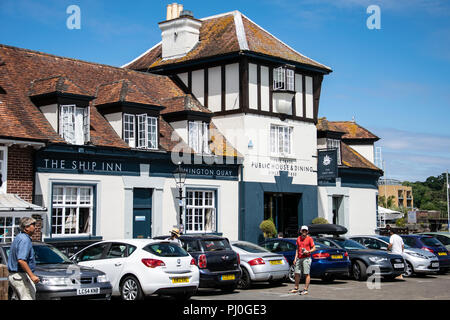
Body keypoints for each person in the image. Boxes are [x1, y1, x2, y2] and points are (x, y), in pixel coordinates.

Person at [7, 217, 40, 300]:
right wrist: (32, 276)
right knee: (28, 297)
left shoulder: (19, 237)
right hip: (20, 275)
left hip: (14, 275)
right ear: (26, 228)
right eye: (33, 225)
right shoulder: (25, 240)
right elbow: (21, 260)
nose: (35, 227)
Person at [290, 225, 316, 295]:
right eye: (303, 230)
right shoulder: (298, 238)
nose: (304, 232)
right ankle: (296, 287)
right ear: (301, 231)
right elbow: (297, 249)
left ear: (307, 232)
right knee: (296, 273)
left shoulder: (309, 239)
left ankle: (305, 289)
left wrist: (308, 251)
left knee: (306, 274)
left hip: (306, 258)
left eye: (305, 231)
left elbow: (314, 248)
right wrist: (295, 258)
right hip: (299, 258)